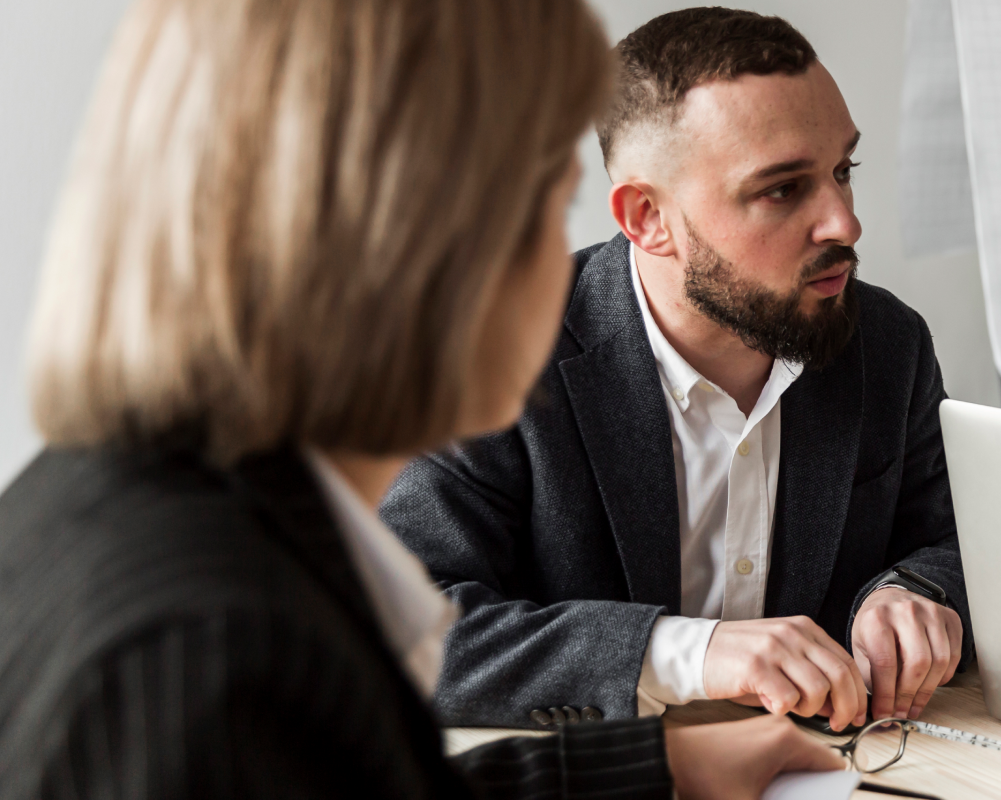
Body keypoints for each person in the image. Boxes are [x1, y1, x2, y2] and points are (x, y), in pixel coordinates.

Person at [0, 0, 841, 797]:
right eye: (551, 204)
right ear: (432, 241)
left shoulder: (118, 508)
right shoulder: (215, 661)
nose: (570, 269)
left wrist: (657, 769)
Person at [380, 7, 968, 734]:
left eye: (842, 171)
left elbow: (962, 542)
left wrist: (916, 591)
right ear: (646, 218)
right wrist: (686, 654)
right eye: (782, 189)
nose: (844, 223)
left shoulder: (888, 342)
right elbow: (398, 630)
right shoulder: (494, 350)